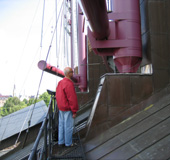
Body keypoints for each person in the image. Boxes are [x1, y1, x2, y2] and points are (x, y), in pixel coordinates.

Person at [56, 67, 79, 147]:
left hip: (61, 108)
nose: (73, 73)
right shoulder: (69, 83)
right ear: (69, 73)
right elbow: (72, 98)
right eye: (72, 72)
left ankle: (60, 142)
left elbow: (58, 95)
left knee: (61, 125)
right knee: (68, 127)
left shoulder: (60, 82)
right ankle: (68, 144)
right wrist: (74, 111)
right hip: (67, 108)